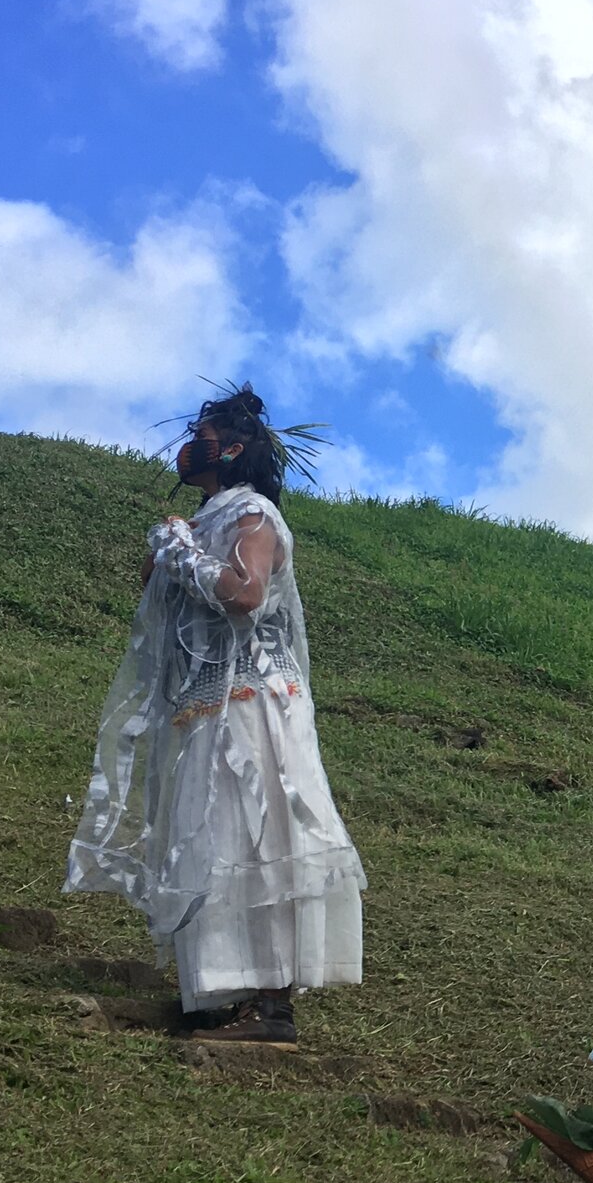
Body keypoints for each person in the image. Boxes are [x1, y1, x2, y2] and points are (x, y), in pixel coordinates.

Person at [66, 385, 366, 1044]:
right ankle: (229, 993)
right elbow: (165, 594)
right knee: (214, 838)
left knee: (254, 837)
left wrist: (187, 555)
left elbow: (246, 595)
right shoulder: (207, 519)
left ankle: (271, 1004)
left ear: (231, 449)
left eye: (204, 432)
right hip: (206, 705)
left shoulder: (253, 514)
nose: (190, 442)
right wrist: (172, 552)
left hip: (252, 708)